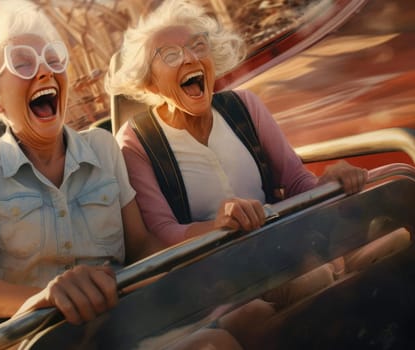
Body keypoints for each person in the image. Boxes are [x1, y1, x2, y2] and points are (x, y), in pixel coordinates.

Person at [104, 0, 382, 347]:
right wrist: (218, 225)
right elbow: (160, 235)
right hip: (214, 287)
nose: (190, 58)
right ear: (150, 84)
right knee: (262, 316)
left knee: (386, 248)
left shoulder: (245, 106)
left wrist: (328, 183)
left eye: (197, 46)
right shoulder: (136, 142)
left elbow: (296, 181)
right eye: (170, 55)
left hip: (282, 252)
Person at [0, 0, 165, 327]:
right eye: (22, 64)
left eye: (53, 60)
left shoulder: (103, 147)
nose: (44, 71)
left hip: (129, 318)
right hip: (45, 336)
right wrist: (42, 299)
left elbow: (140, 244)